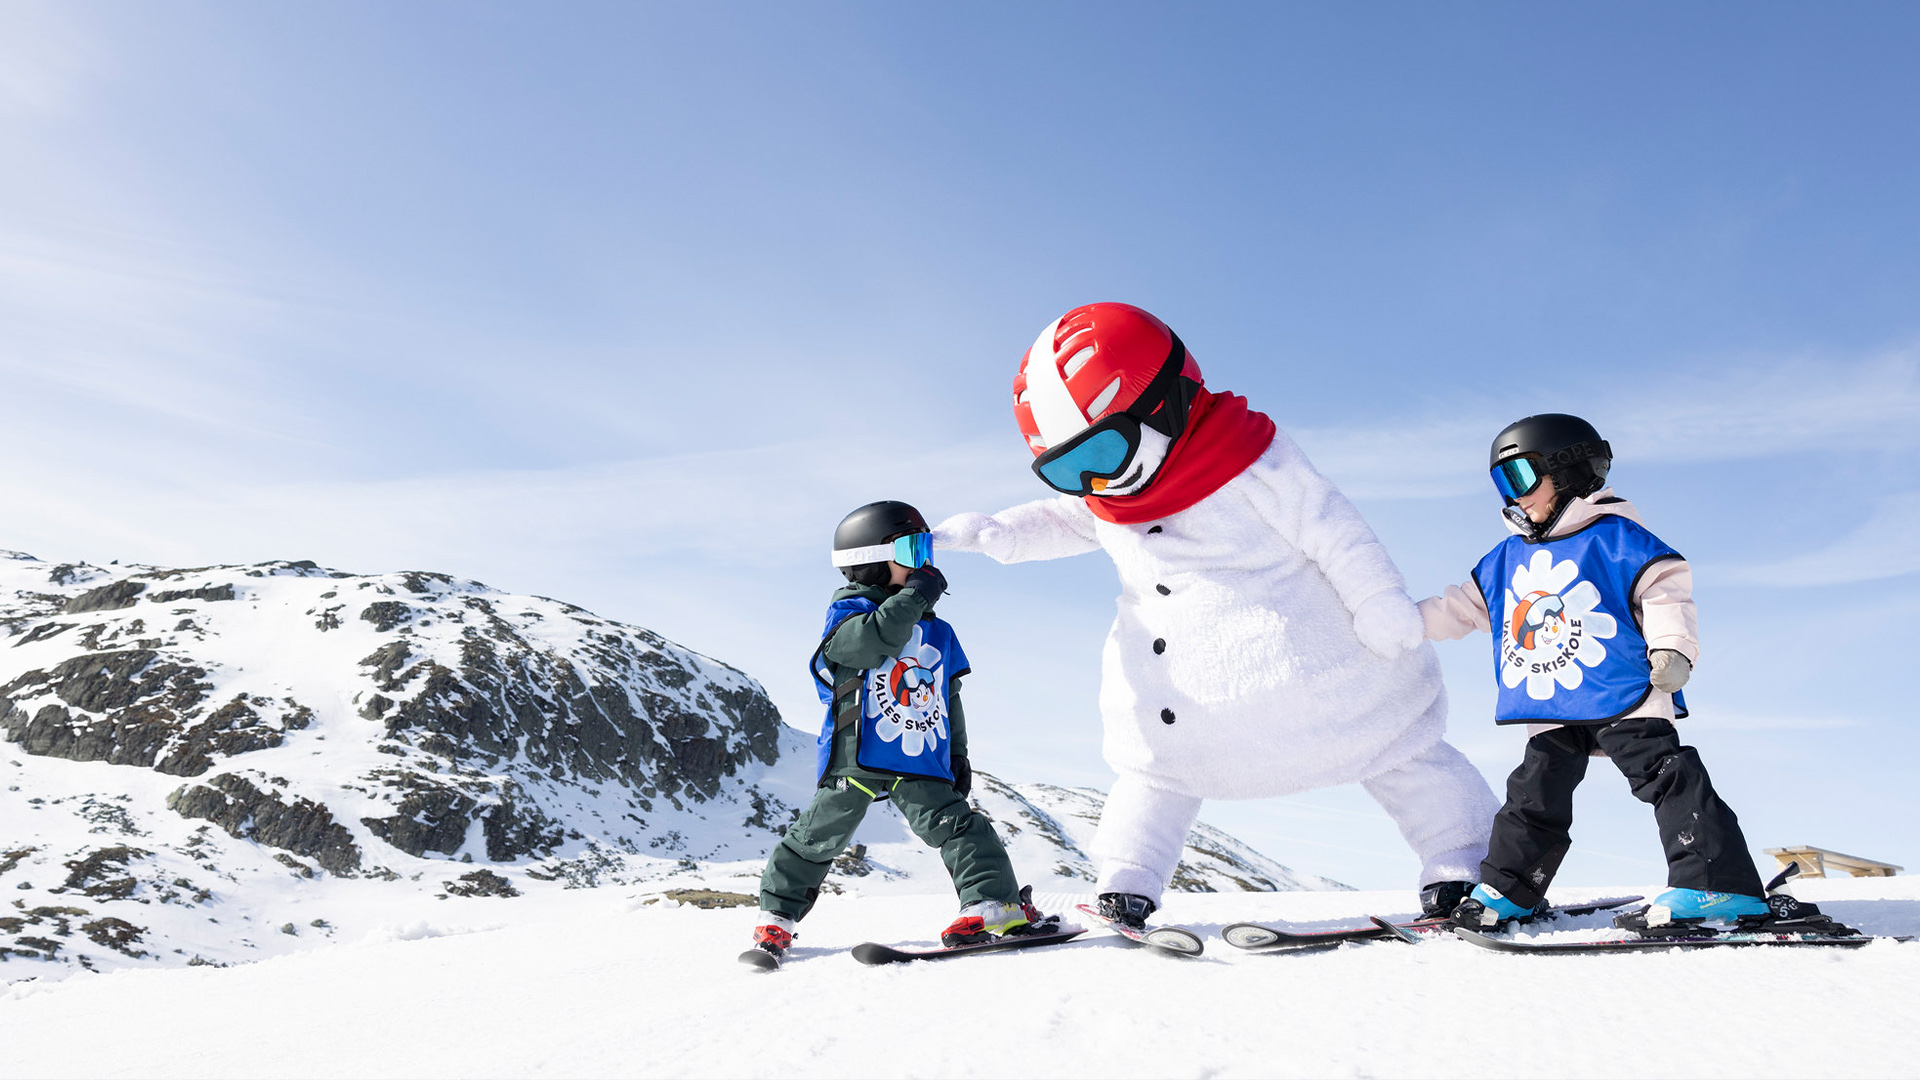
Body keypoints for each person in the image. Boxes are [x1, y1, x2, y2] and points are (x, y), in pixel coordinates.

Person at [935, 303, 1497, 930]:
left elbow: (1335, 530)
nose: (1093, 481)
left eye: (1100, 452)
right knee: (1155, 776)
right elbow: (1066, 518)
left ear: (1165, 404)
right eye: (1066, 471)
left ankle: (1465, 861)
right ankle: (1127, 881)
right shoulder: (1106, 499)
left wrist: (1377, 602)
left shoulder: (1253, 460)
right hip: (1179, 702)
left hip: (1324, 683)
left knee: (1399, 751)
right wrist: (998, 533)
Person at [1418, 413, 1771, 930]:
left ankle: (1717, 886)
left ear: (1568, 473)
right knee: (1533, 796)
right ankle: (1510, 889)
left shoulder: (1618, 540)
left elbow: (1665, 592)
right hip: (1553, 699)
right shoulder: (1506, 559)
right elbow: (1460, 608)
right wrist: (1400, 623)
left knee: (1666, 776)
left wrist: (1673, 649)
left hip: (1620, 687)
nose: (1512, 496)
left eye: (1519, 477)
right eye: (1501, 483)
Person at [746, 500, 1042, 965]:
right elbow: (872, 642)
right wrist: (916, 597)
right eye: (911, 548)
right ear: (867, 560)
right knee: (815, 837)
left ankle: (992, 907)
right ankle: (777, 919)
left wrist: (957, 755)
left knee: (962, 828)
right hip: (857, 757)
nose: (924, 562)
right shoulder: (848, 614)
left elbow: (949, 696)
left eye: (927, 547)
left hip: (919, 757)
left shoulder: (937, 630)